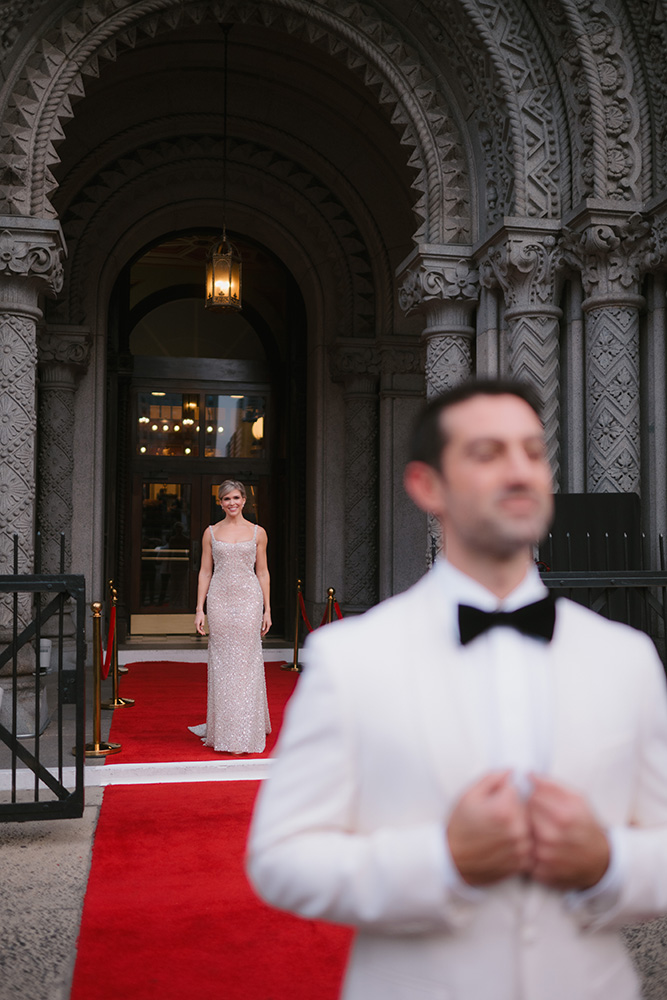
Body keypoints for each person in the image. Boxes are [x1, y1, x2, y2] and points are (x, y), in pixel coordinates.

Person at [246, 379, 667, 1000]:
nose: (520, 471)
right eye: (488, 453)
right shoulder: (350, 658)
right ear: (427, 486)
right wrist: (443, 862)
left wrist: (607, 863)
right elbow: (279, 860)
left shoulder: (625, 658)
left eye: (532, 451)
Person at [189, 480, 271, 753]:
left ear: (244, 500)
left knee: (247, 661)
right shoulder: (210, 532)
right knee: (222, 664)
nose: (232, 503)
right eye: (226, 499)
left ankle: (246, 729)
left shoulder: (258, 533)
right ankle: (225, 728)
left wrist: (267, 608)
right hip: (220, 600)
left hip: (249, 599)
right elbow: (205, 572)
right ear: (220, 502)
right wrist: (200, 608)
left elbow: (262, 572)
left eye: (236, 497)